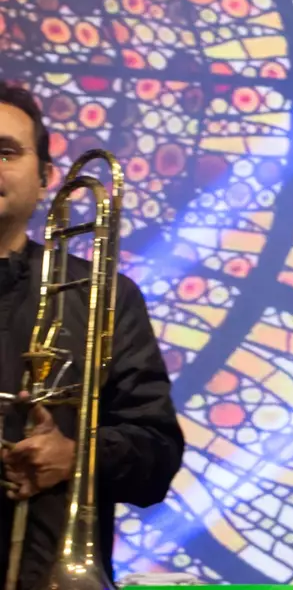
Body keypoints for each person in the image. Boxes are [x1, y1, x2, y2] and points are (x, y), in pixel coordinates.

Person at [0, 82, 185, 586]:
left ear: (45, 179)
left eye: (6, 152)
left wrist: (76, 456)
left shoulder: (103, 295)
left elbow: (157, 454)